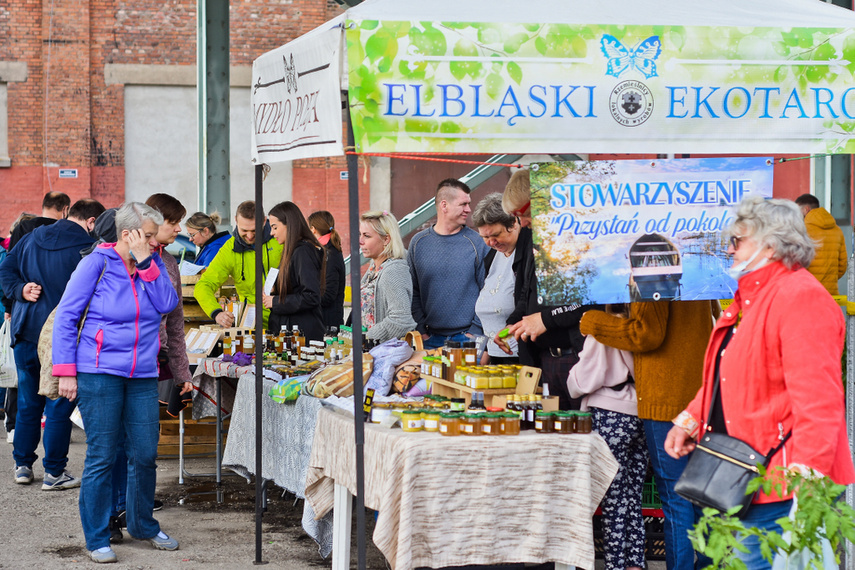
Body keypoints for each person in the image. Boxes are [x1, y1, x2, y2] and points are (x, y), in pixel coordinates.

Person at [665, 196, 855, 570]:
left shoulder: (800, 298)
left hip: (780, 488)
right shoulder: (752, 297)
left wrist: (807, 489)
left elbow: (818, 403)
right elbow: (728, 374)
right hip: (744, 478)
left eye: (739, 240)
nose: (730, 248)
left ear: (771, 245)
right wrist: (690, 419)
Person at [54, 202, 181, 563]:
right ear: (129, 234)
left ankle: (142, 524)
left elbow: (167, 304)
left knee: (145, 453)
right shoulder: (95, 263)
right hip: (98, 373)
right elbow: (66, 317)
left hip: (142, 374)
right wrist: (65, 371)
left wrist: (146, 265)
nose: (157, 243)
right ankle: (96, 537)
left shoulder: (151, 263)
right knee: (102, 456)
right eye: (151, 236)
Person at [580, 298, 718, 570]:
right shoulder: (697, 274)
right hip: (701, 397)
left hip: (664, 399)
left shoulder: (652, 275)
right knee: (702, 498)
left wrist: (591, 320)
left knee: (675, 498)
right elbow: (715, 318)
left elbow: (644, 334)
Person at [102, 194, 195, 545]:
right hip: (111, 367)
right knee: (113, 447)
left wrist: (183, 374)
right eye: (174, 224)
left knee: (143, 449)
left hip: (152, 365)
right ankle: (111, 513)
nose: (177, 230)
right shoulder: (106, 259)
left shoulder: (168, 263)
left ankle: (135, 513)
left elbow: (174, 325)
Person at [0, 198, 105, 490]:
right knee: (58, 404)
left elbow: (5, 271)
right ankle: (54, 473)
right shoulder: (89, 249)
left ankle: (22, 465)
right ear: (92, 221)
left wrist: (20, 290)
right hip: (62, 336)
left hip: (26, 330)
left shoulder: (31, 236)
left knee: (28, 401)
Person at [499, 169, 602, 409]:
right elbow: (528, 293)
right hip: (546, 360)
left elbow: (592, 300)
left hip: (577, 356)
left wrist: (546, 319)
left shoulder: (580, 238)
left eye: (520, 213)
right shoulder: (539, 241)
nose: (520, 222)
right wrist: (514, 323)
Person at [567, 304, 646, 570]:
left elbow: (583, 381)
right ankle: (635, 562)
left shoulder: (602, 328)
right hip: (640, 412)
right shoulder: (637, 328)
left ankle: (616, 565)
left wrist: (571, 378)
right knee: (633, 495)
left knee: (612, 496)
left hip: (610, 414)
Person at [407, 178, 491, 350]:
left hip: (468, 338)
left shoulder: (477, 242)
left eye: (469, 204)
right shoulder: (418, 243)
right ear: (444, 206)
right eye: (463, 204)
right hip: (429, 339)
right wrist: (421, 329)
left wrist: (475, 330)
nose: (468, 209)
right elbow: (412, 290)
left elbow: (488, 290)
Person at [194, 201, 283, 330]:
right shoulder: (229, 249)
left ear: (264, 221)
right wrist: (216, 313)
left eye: (254, 230)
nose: (250, 236)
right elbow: (203, 285)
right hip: (252, 325)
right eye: (244, 230)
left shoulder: (280, 240)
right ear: (235, 221)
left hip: (285, 318)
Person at [261, 202, 325, 342]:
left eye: (274, 227)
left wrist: (276, 302)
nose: (271, 233)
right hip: (292, 333)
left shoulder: (303, 252)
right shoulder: (292, 250)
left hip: (302, 337)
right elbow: (296, 287)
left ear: (289, 224)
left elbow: (311, 296)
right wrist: (275, 289)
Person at [472, 193, 521, 364]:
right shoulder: (492, 257)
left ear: (513, 223)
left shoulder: (527, 254)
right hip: (495, 357)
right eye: (485, 237)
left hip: (521, 359)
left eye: (496, 235)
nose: (491, 242)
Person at [359, 211, 416, 344]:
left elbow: (401, 320)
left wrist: (368, 337)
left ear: (386, 239)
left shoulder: (394, 270)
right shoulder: (375, 265)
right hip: (373, 348)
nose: (360, 241)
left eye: (367, 236)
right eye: (360, 234)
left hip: (385, 351)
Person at [794, 193, 847, 295]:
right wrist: (828, 279)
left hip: (808, 292)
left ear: (806, 209)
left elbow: (796, 264)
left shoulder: (802, 231)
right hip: (830, 294)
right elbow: (842, 266)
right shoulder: (837, 230)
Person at [308, 211, 345, 329]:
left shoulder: (329, 254)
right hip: (325, 320)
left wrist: (305, 299)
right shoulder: (326, 250)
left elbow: (328, 294)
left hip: (328, 323)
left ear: (313, 229)